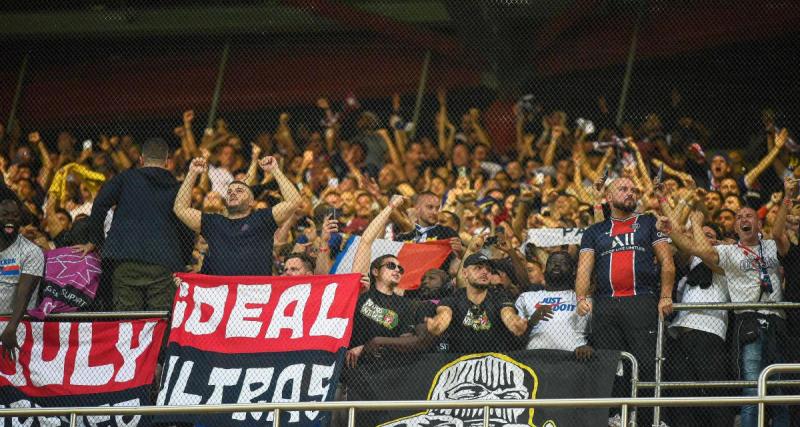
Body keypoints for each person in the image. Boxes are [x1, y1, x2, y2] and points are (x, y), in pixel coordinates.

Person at [660, 201, 792, 427]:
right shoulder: (726, 253)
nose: (743, 219)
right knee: (750, 388)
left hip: (768, 321)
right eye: (738, 217)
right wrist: (678, 223)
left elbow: (779, 233)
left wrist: (787, 198)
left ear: (759, 223)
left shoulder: (758, 248)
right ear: (735, 227)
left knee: (778, 388)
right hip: (738, 322)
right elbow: (692, 246)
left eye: (749, 215)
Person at [575, 177, 675, 426]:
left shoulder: (648, 222)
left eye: (633, 189)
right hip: (606, 304)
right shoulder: (594, 231)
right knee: (608, 367)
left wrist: (665, 295)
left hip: (641, 300)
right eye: (623, 189)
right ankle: (614, 419)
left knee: (646, 365)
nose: (630, 193)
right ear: (608, 197)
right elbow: (584, 269)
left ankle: (648, 420)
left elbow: (667, 262)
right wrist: (580, 297)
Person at [74, 138, 194, 311]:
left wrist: (95, 240)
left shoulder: (126, 178)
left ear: (141, 160)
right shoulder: (177, 187)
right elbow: (186, 225)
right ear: (167, 162)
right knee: (160, 320)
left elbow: (100, 203)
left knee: (127, 320)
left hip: (125, 258)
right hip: (164, 262)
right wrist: (183, 259)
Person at [173, 155, 300, 275]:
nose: (233, 193)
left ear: (251, 202)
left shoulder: (263, 218)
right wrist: (192, 173)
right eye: (229, 191)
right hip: (222, 292)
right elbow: (180, 208)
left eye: (239, 191)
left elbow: (294, 200)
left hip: (255, 292)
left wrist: (275, 170)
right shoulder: (214, 222)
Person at [663, 214, 733, 427]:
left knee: (713, 394)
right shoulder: (690, 262)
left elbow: (703, 250)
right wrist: (664, 202)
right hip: (680, 334)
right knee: (682, 394)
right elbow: (680, 243)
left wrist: (697, 224)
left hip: (708, 332)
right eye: (702, 235)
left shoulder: (727, 257)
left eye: (709, 235)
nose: (703, 237)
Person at [425, 249, 529, 354]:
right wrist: (438, 324)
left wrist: (514, 323)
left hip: (494, 363)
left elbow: (507, 312)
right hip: (460, 363)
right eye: (478, 268)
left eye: (488, 270)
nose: (485, 272)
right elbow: (445, 313)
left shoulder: (499, 297)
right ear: (465, 273)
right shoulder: (453, 299)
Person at [515, 251, 592, 359]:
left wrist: (587, 347)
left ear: (574, 271)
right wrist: (532, 321)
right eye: (552, 262)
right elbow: (514, 339)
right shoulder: (526, 297)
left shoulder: (583, 300)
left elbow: (596, 334)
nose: (556, 265)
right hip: (535, 361)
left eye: (563, 262)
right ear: (545, 269)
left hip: (573, 362)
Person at [0, 198, 44, 360]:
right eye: (5, 215)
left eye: (15, 215)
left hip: (16, 326)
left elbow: (23, 293)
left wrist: (12, 327)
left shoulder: (31, 252)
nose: (10, 219)